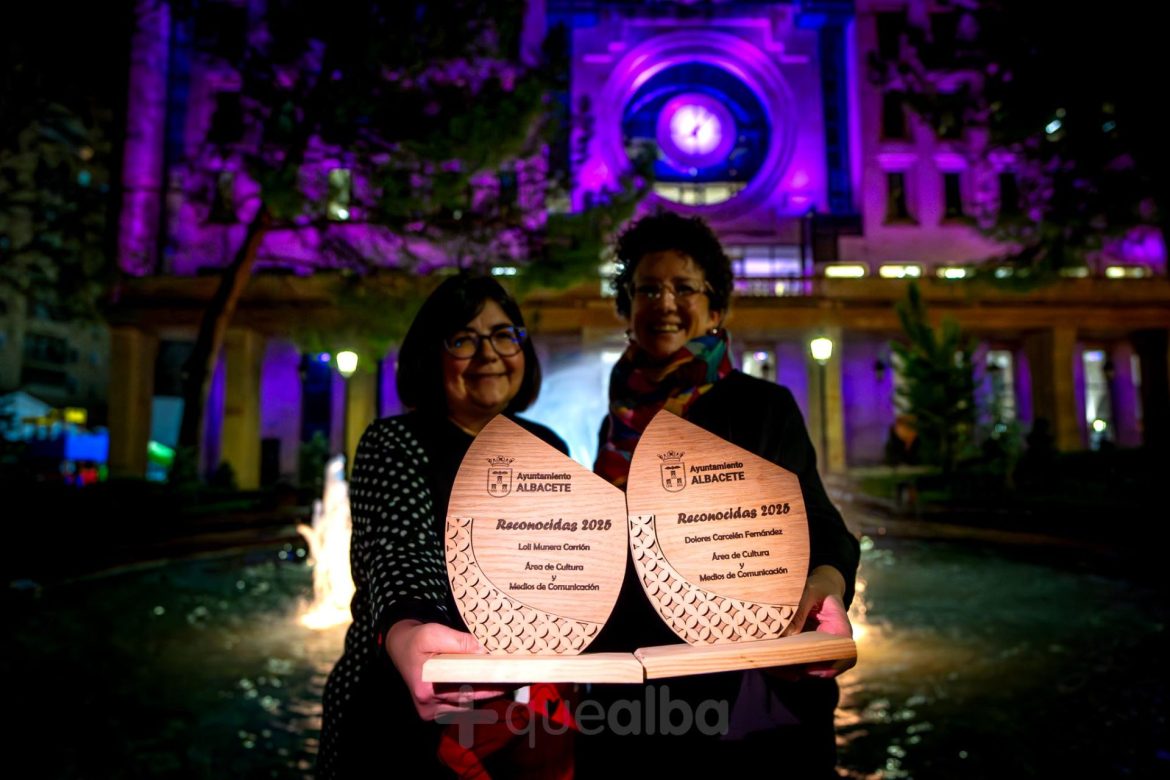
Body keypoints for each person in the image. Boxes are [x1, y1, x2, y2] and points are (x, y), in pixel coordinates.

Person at [580, 211, 861, 777]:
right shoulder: (618, 419)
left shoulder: (761, 406)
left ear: (715, 310)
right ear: (627, 309)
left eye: (684, 288)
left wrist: (826, 589)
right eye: (648, 289)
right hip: (631, 686)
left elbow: (821, 526)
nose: (664, 303)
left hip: (735, 690)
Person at [318, 273, 573, 779]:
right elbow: (400, 547)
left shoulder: (547, 446)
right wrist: (409, 627)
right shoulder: (394, 442)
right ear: (431, 355)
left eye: (503, 335)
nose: (489, 354)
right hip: (404, 706)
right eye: (463, 339)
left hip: (521, 705)